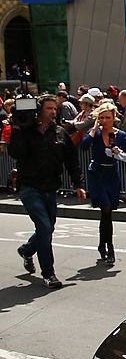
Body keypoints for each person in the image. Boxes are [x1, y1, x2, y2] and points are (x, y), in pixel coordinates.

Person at [9, 95, 87, 288]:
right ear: (38, 111)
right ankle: (49, 273)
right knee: (44, 227)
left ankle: (27, 250)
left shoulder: (60, 132)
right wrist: (17, 130)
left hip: (51, 188)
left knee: (48, 228)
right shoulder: (26, 132)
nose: (53, 111)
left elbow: (71, 161)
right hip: (29, 187)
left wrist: (79, 183)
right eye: (48, 108)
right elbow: (14, 153)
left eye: (55, 108)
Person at [80, 102, 126, 265]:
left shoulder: (120, 135)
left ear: (114, 118)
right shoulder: (94, 133)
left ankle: (103, 244)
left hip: (111, 174)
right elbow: (84, 147)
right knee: (105, 208)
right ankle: (110, 248)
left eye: (107, 117)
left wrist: (119, 152)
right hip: (96, 173)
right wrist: (94, 130)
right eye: (101, 117)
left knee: (108, 213)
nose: (104, 120)